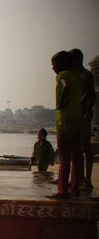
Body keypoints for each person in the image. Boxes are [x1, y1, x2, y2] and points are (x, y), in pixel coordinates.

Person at [49, 51, 84, 199]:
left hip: (65, 121)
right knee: (76, 155)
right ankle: (75, 189)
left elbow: (65, 84)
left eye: (53, 64)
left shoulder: (62, 75)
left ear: (62, 64)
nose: (52, 68)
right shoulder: (76, 77)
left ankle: (62, 190)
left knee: (64, 157)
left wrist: (61, 102)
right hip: (77, 118)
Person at [68, 48, 97, 190]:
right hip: (73, 114)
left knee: (85, 147)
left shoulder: (86, 75)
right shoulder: (71, 75)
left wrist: (86, 113)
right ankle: (76, 178)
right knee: (74, 147)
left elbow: (91, 95)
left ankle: (88, 180)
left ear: (76, 60)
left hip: (84, 114)